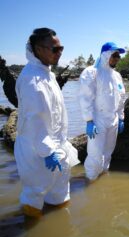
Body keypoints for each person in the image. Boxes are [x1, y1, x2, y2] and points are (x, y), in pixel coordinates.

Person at [14, 28, 80, 218]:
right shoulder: (31, 80)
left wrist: (59, 147)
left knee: (60, 194)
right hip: (37, 151)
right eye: (55, 49)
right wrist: (48, 151)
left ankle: (60, 230)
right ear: (38, 49)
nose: (59, 52)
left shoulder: (47, 74)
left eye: (61, 48)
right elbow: (34, 120)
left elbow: (55, 114)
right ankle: (29, 234)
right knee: (34, 194)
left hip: (56, 146)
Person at [79, 42, 126, 181]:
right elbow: (85, 98)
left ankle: (103, 178)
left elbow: (121, 98)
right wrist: (89, 120)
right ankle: (90, 180)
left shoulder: (117, 76)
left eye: (118, 56)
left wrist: (121, 117)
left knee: (108, 153)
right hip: (97, 120)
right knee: (95, 154)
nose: (117, 58)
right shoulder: (91, 72)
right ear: (105, 55)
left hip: (113, 120)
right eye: (115, 55)